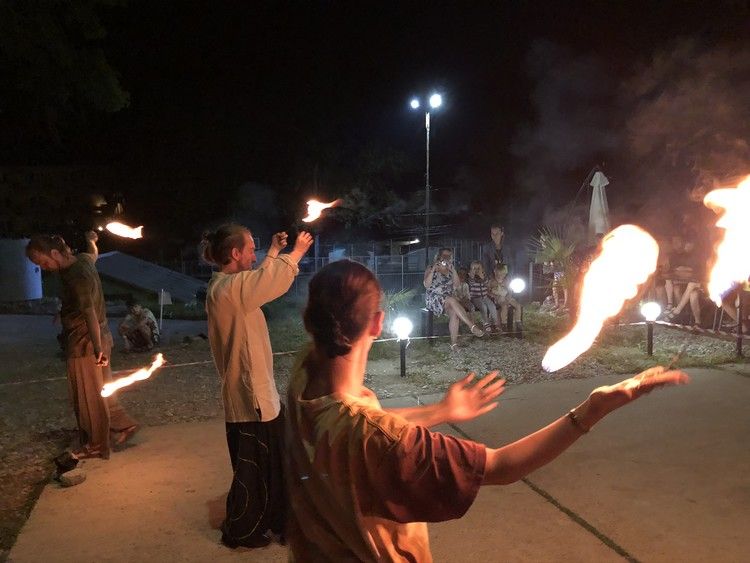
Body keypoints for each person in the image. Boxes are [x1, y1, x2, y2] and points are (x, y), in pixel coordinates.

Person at [285, 260, 689, 561]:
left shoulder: (303, 381)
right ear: (378, 324)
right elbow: (500, 466)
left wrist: (440, 410)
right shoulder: (383, 441)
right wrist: (593, 409)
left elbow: (362, 424)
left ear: (310, 323)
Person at [202, 224, 313, 549]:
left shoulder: (227, 287)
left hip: (255, 395)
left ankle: (278, 521)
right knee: (258, 471)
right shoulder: (229, 290)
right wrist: (296, 252)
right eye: (251, 250)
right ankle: (245, 528)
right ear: (235, 253)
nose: (255, 255)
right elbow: (268, 282)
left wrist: (275, 252)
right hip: (252, 398)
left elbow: (258, 281)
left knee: (272, 465)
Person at [26, 231, 139, 460]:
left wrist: (96, 348)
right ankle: (123, 425)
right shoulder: (82, 261)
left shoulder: (76, 276)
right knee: (101, 388)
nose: (43, 267)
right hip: (98, 337)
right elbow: (93, 254)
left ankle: (96, 444)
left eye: (43, 262)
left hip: (85, 342)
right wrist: (91, 241)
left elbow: (89, 311)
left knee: (88, 396)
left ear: (55, 253)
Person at [424, 247, 484, 349]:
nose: (447, 258)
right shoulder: (431, 268)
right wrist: (433, 270)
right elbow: (426, 285)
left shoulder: (451, 269)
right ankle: (471, 325)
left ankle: (454, 344)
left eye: (449, 256)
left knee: (454, 314)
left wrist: (454, 270)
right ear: (439, 256)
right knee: (451, 299)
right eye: (444, 255)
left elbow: (457, 285)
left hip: (448, 301)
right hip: (434, 299)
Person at [467, 261, 498, 333]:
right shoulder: (471, 277)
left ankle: (494, 322)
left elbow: (487, 285)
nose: (477, 270)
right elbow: (471, 283)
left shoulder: (484, 277)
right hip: (475, 298)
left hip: (484, 296)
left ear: (482, 269)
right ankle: (485, 323)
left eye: (478, 268)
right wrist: (472, 276)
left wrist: (482, 278)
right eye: (474, 268)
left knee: (492, 306)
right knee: (483, 306)